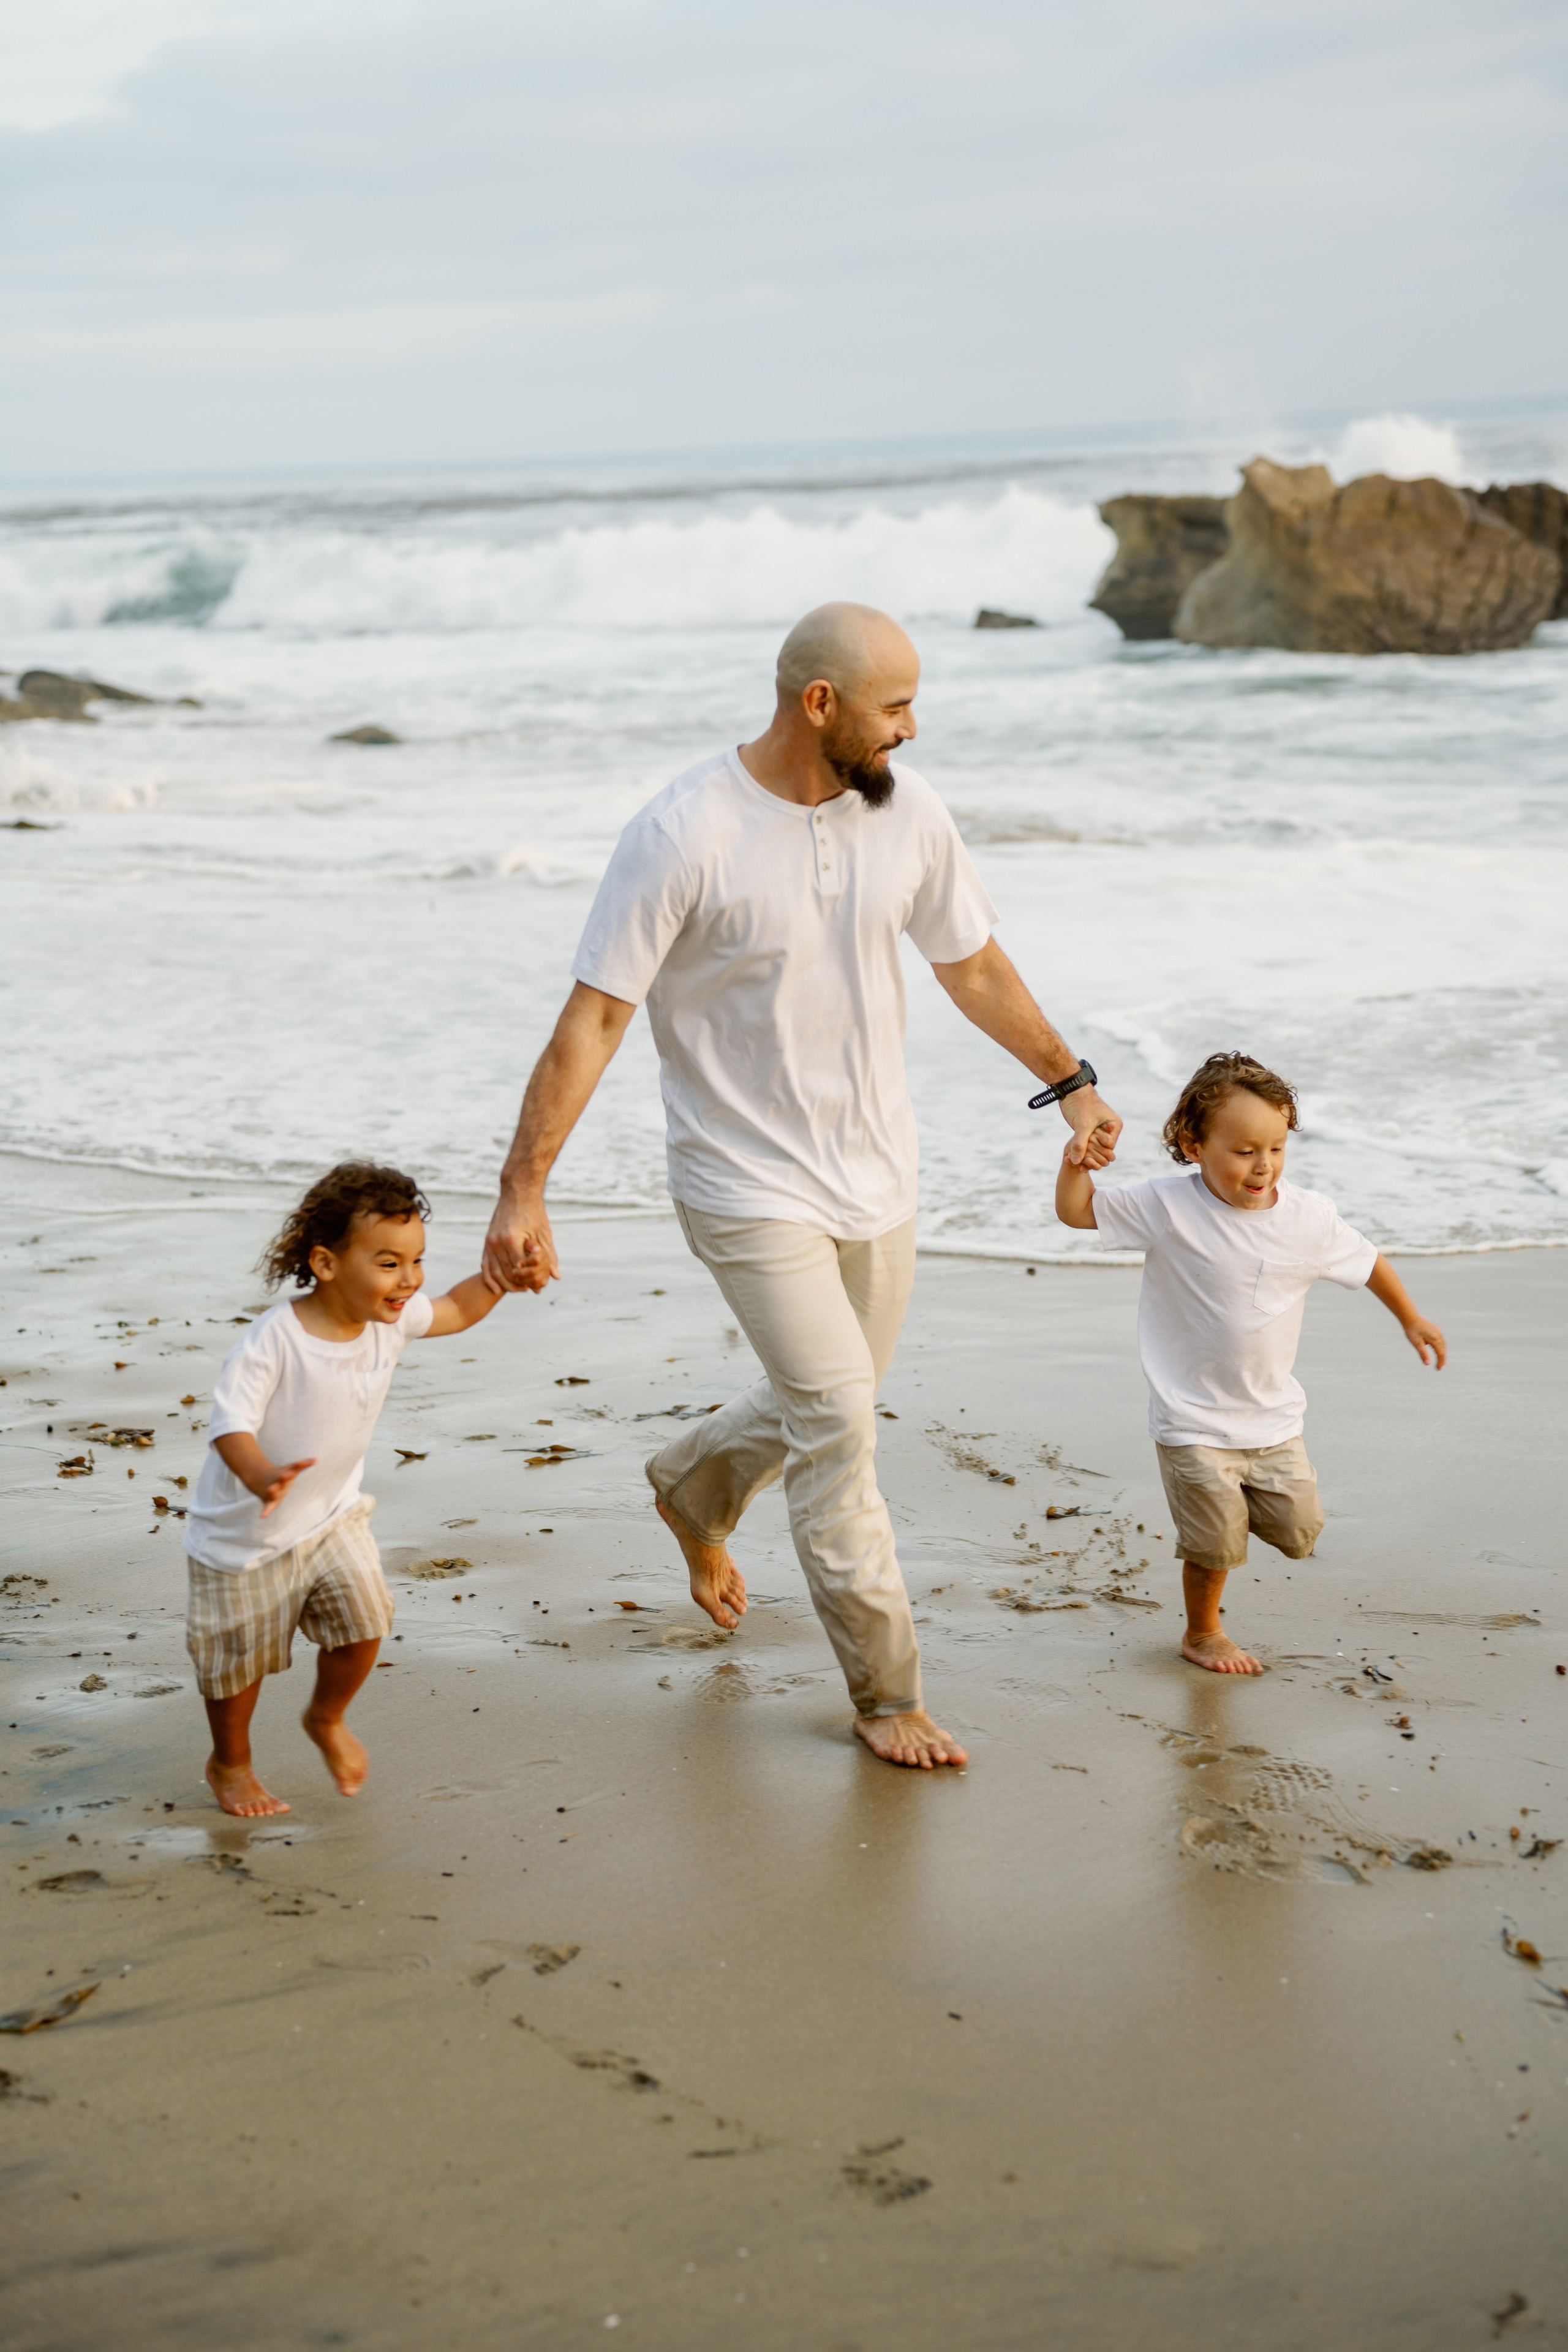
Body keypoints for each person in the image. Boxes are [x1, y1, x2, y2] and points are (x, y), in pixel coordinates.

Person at [483, 600, 1121, 1767]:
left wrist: (1069, 1082)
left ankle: (692, 1486)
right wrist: (523, 1191)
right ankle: (888, 1693)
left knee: (825, 1394)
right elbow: (597, 1017)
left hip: (879, 1170)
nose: (913, 731)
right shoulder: (682, 831)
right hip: (742, 1182)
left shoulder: (906, 813)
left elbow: (971, 964)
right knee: (838, 1421)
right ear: (818, 704)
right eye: (895, 707)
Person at [1055, 1051, 1446, 1675]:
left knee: (1299, 1533)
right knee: (1214, 1546)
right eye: (1243, 1151)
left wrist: (1410, 1316)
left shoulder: (1308, 1218)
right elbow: (1079, 1212)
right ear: (1193, 1144)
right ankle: (1202, 1632)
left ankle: (1239, 1514)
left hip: (1272, 1418)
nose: (1263, 1166)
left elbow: (1366, 1260)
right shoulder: (1166, 1207)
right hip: (1191, 1418)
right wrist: (1074, 1164)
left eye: (1276, 1148)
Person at [186, 1162, 509, 1816]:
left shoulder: (391, 1319)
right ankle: (231, 1762)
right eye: (389, 1263)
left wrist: (503, 1279)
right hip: (245, 1537)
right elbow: (231, 1424)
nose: (410, 1280)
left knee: (365, 1624)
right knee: (235, 1669)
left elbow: (457, 1308)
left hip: (332, 1519)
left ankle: (325, 1718)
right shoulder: (274, 1341)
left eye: (415, 1261)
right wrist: (259, 1475)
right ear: (327, 1264)